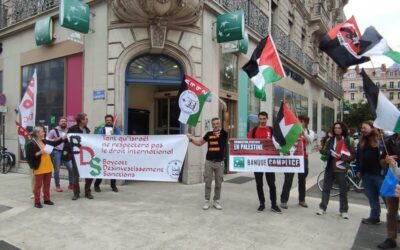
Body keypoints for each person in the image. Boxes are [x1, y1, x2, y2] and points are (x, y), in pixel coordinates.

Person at [187, 99, 229, 210]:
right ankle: (207, 201)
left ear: (219, 124)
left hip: (220, 163)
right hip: (209, 162)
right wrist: (191, 139)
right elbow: (200, 143)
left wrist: (225, 108)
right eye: (214, 124)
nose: (215, 125)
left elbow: (226, 120)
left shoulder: (224, 133)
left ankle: (216, 201)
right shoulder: (209, 134)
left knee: (219, 183)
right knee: (208, 182)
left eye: (217, 123)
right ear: (212, 124)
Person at [317, 121, 355, 219]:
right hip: (330, 167)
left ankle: (344, 210)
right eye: (335, 128)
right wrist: (321, 149)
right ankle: (322, 207)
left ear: (343, 129)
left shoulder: (349, 140)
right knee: (326, 188)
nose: (337, 129)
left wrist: (345, 158)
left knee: (343, 190)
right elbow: (325, 152)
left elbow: (353, 155)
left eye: (339, 128)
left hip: (341, 168)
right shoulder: (330, 140)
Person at [248, 111, 281, 214]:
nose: (262, 121)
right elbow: (248, 145)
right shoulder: (253, 131)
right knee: (259, 184)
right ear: (258, 119)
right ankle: (261, 204)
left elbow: (279, 143)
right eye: (260, 119)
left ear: (267, 118)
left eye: (264, 119)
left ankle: (274, 204)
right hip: (257, 162)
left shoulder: (272, 130)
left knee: (271, 184)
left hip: (269, 162)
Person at [26, 126, 64, 208]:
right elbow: (30, 157)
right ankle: (37, 202)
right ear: (37, 133)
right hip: (39, 167)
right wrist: (40, 152)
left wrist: (62, 138)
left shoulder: (44, 141)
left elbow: (54, 143)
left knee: (47, 184)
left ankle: (47, 199)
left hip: (48, 166)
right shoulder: (31, 144)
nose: (44, 133)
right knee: (38, 185)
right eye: (42, 131)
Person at [280, 115, 312, 209]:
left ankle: (302, 200)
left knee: (302, 179)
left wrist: (302, 132)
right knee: (288, 178)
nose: (298, 123)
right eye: (298, 121)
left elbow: (309, 140)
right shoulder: (292, 131)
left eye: (301, 121)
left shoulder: (309, 132)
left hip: (303, 158)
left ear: (305, 122)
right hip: (292, 157)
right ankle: (284, 200)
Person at [356, 121, 384, 225]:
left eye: (365, 128)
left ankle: (396, 217)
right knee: (372, 197)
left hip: (379, 174)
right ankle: (374, 217)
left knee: (387, 197)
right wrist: (359, 170)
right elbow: (359, 157)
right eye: (362, 128)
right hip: (366, 174)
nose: (362, 130)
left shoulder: (380, 141)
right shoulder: (362, 142)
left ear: (372, 128)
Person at [378, 133, 400, 249]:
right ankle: (391, 238)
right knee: (391, 212)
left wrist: (395, 165)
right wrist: (386, 160)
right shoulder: (389, 140)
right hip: (392, 180)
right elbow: (381, 161)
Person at [67, 113, 94, 200]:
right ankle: (76, 193)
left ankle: (87, 192)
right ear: (81, 120)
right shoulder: (72, 129)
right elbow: (68, 141)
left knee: (89, 174)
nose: (87, 120)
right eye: (86, 119)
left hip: (86, 155)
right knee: (76, 175)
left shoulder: (87, 130)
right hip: (76, 155)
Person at [94, 114, 121, 193]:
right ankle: (96, 185)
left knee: (113, 169)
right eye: (107, 120)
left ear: (112, 121)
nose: (108, 121)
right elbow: (97, 138)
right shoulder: (101, 129)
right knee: (102, 169)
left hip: (112, 152)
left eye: (110, 120)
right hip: (103, 151)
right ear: (105, 121)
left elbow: (120, 138)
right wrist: (104, 136)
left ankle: (113, 185)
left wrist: (114, 135)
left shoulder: (116, 129)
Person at [47, 117, 73, 192]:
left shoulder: (69, 131)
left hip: (66, 152)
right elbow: (48, 140)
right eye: (62, 121)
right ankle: (57, 185)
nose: (63, 122)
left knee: (71, 168)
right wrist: (59, 138)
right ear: (59, 122)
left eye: (65, 121)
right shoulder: (53, 131)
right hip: (56, 151)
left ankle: (71, 184)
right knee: (57, 170)